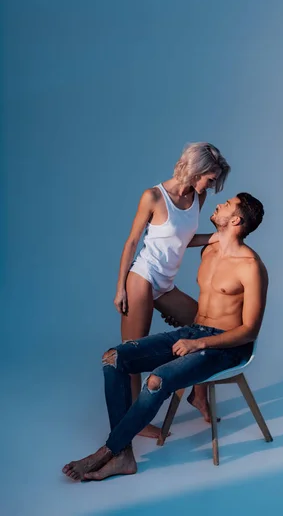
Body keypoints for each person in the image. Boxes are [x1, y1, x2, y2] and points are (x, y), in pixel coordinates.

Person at [63, 192, 268, 481]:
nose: (219, 204)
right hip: (195, 331)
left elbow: (250, 331)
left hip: (227, 347)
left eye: (228, 204)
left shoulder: (251, 267)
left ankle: (109, 452)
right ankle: (123, 455)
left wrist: (199, 343)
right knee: (114, 357)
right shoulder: (208, 251)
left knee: (157, 380)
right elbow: (167, 248)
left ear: (236, 219)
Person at [114, 142, 231, 437]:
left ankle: (198, 395)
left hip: (166, 285)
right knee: (132, 351)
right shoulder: (153, 196)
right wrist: (120, 289)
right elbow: (131, 242)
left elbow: (183, 239)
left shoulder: (198, 197)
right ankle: (134, 420)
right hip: (142, 277)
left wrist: (219, 236)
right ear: (197, 170)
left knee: (207, 328)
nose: (213, 183)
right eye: (210, 177)